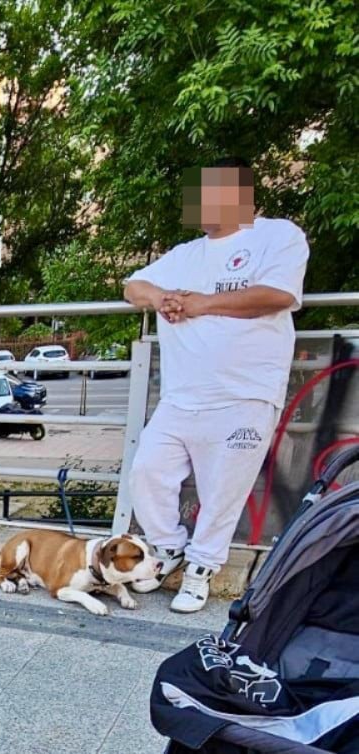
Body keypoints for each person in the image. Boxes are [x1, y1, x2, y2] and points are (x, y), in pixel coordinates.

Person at [124, 157, 309, 613]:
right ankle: (168, 548)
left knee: (222, 489)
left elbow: (279, 295)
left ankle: (202, 569)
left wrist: (203, 304)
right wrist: (159, 297)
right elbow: (132, 285)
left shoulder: (276, 235)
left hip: (244, 393)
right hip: (181, 396)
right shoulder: (185, 254)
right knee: (147, 471)